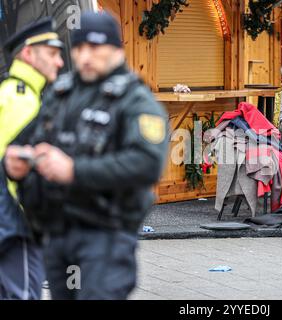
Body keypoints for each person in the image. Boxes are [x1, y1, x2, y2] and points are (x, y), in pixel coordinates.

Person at [3, 11, 169, 300]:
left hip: (105, 237)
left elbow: (147, 164)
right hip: (58, 235)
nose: (84, 56)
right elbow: (25, 143)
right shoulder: (62, 94)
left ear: (116, 50)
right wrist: (13, 165)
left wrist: (74, 171)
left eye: (95, 47)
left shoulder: (135, 99)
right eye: (79, 48)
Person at [0, 18, 64, 300]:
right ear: (28, 53)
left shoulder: (9, 94)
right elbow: (18, 173)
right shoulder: (23, 102)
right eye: (52, 53)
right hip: (16, 229)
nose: (60, 62)